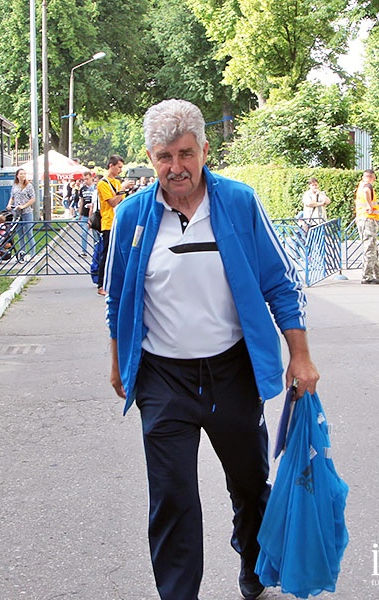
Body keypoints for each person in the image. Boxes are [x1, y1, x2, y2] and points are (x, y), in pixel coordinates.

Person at [104, 99, 320, 600]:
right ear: (149, 156)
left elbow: (281, 285)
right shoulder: (133, 215)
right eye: (164, 156)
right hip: (163, 378)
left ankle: (252, 561)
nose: (176, 168)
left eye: (185, 153)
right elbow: (118, 297)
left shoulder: (239, 203)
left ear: (205, 149)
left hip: (232, 372)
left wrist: (301, 356)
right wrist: (119, 362)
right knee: (172, 496)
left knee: (249, 485)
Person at [96, 155, 133, 296]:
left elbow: (122, 202)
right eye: (118, 167)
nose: (120, 170)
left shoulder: (117, 182)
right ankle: (101, 284)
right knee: (106, 255)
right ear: (111, 165)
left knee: (119, 254)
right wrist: (122, 189)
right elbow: (113, 202)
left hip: (118, 222)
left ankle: (115, 282)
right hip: (108, 223)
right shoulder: (103, 183)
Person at [354, 169, 379, 285]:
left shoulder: (361, 185)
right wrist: (370, 206)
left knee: (372, 247)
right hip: (368, 218)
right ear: (372, 177)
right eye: (374, 178)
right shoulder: (367, 186)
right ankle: (367, 276)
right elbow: (366, 192)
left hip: (362, 218)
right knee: (369, 247)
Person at [6, 168, 36, 261]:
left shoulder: (29, 186)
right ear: (17, 175)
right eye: (21, 174)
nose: (23, 176)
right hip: (17, 212)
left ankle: (33, 254)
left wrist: (23, 206)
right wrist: (9, 205)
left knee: (29, 233)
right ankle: (22, 253)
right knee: (20, 234)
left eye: (24, 174)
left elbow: (32, 199)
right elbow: (12, 197)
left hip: (27, 212)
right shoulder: (15, 185)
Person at [78, 171, 97, 258]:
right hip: (85, 214)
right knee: (84, 232)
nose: (85, 181)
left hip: (94, 214)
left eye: (87, 179)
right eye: (84, 179)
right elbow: (81, 201)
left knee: (95, 234)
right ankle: (83, 251)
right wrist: (80, 213)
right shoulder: (82, 189)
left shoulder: (95, 188)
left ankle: (96, 250)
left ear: (91, 178)